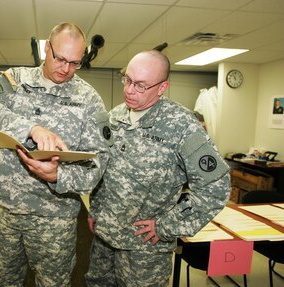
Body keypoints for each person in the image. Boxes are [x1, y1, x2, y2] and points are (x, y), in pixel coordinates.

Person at [0, 22, 111, 287]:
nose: (65, 68)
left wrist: (60, 175)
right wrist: (29, 128)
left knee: (53, 283)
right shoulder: (15, 80)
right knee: (1, 281)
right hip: (8, 209)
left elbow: (98, 162)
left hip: (56, 218)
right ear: (47, 48)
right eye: (59, 58)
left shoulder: (89, 99)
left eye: (74, 62)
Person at [85, 50, 230, 287]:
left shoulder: (182, 125)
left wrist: (167, 226)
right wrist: (96, 208)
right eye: (127, 80)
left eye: (141, 85)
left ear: (162, 88)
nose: (129, 90)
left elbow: (215, 188)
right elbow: (104, 170)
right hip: (104, 238)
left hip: (144, 249)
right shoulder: (115, 116)